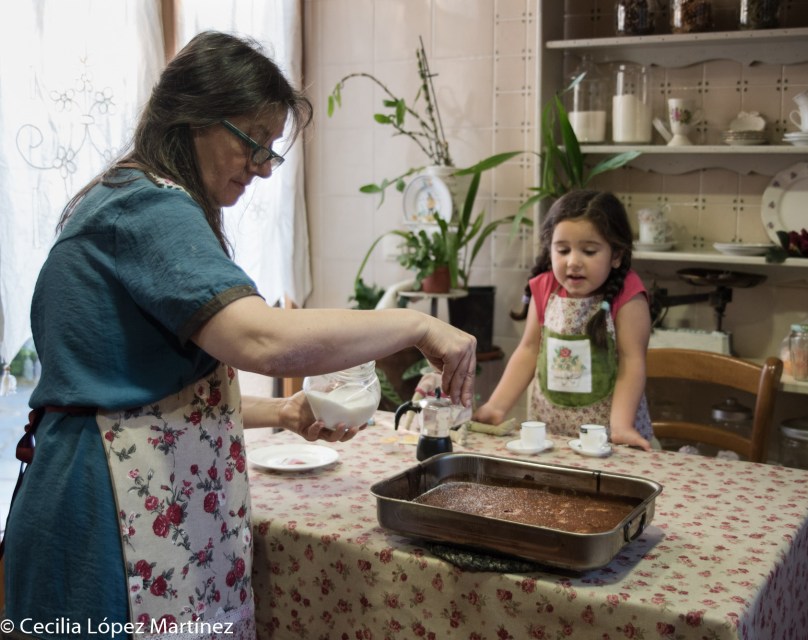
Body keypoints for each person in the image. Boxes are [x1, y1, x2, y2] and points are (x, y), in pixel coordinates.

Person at [2, 31, 475, 639]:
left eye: (271, 151)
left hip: (123, 485)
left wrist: (282, 412)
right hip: (103, 509)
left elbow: (150, 398)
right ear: (192, 117)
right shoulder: (149, 207)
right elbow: (264, 340)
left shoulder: (135, 197)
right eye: (253, 142)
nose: (261, 168)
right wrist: (416, 324)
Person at [472, 190, 655, 450]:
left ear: (616, 255)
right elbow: (528, 350)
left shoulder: (629, 296)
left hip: (608, 442)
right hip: (551, 438)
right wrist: (496, 406)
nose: (573, 262)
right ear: (550, 249)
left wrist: (621, 427)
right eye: (563, 250)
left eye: (589, 251)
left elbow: (631, 361)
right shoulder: (545, 287)